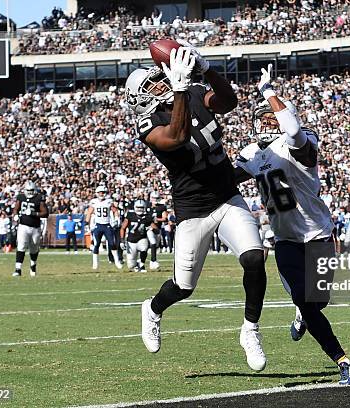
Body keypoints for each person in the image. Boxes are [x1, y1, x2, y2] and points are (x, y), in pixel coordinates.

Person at [125, 43, 267, 371]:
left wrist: (208, 69)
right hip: (192, 212)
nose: (161, 82)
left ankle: (250, 329)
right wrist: (177, 91)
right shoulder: (148, 125)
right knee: (183, 287)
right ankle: (153, 309)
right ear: (140, 98)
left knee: (254, 258)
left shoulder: (191, 92)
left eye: (160, 79)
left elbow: (228, 101)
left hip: (227, 198)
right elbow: (176, 136)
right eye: (152, 84)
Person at [234, 64, 350, 385]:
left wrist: (269, 91)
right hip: (286, 242)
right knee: (308, 304)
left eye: (270, 115)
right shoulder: (252, 154)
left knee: (318, 302)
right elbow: (221, 182)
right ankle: (343, 361)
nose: (265, 120)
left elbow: (292, 132)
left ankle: (305, 314)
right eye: (261, 116)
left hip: (317, 236)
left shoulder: (299, 144)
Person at [13, 182, 49, 277]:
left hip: (35, 227)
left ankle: (33, 265)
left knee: (34, 248)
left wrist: (34, 214)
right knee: (21, 246)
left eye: (31, 190)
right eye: (28, 190)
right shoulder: (21, 197)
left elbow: (45, 213)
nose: (29, 192)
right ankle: (18, 269)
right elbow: (16, 208)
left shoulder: (39, 198)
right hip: (23, 226)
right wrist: (16, 215)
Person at [85, 186, 123, 270]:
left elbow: (115, 210)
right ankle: (95, 263)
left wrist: (117, 219)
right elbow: (89, 212)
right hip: (98, 225)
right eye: (100, 192)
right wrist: (86, 222)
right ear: (97, 193)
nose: (101, 194)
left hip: (107, 225)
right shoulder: (94, 202)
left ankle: (117, 261)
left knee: (112, 243)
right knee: (96, 244)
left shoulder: (109, 201)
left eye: (102, 192)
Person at [120, 199, 151, 273]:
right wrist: (122, 240)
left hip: (142, 238)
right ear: (134, 207)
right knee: (131, 265)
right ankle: (137, 264)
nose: (140, 209)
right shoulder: (130, 215)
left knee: (144, 248)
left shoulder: (147, 216)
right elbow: (123, 228)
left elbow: (153, 226)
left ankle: (142, 264)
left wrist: (153, 228)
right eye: (138, 207)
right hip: (131, 240)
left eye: (141, 207)